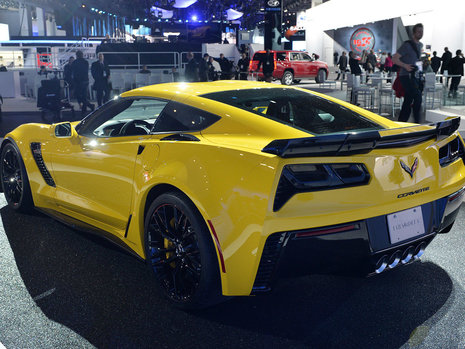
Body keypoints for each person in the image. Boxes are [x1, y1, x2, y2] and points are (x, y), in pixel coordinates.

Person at [392, 23, 424, 123]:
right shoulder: (407, 45)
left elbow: (416, 60)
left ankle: (401, 123)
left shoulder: (420, 45)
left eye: (422, 31)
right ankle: (417, 123)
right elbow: (394, 58)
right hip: (405, 76)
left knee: (408, 100)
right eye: (418, 31)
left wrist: (421, 69)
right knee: (417, 97)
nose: (421, 33)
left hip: (415, 76)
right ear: (414, 33)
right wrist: (405, 65)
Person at [72, 50, 94, 115]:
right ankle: (87, 107)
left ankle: (86, 108)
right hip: (85, 81)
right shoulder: (85, 62)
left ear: (77, 55)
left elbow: (74, 72)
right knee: (84, 96)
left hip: (78, 81)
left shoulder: (75, 62)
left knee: (79, 96)